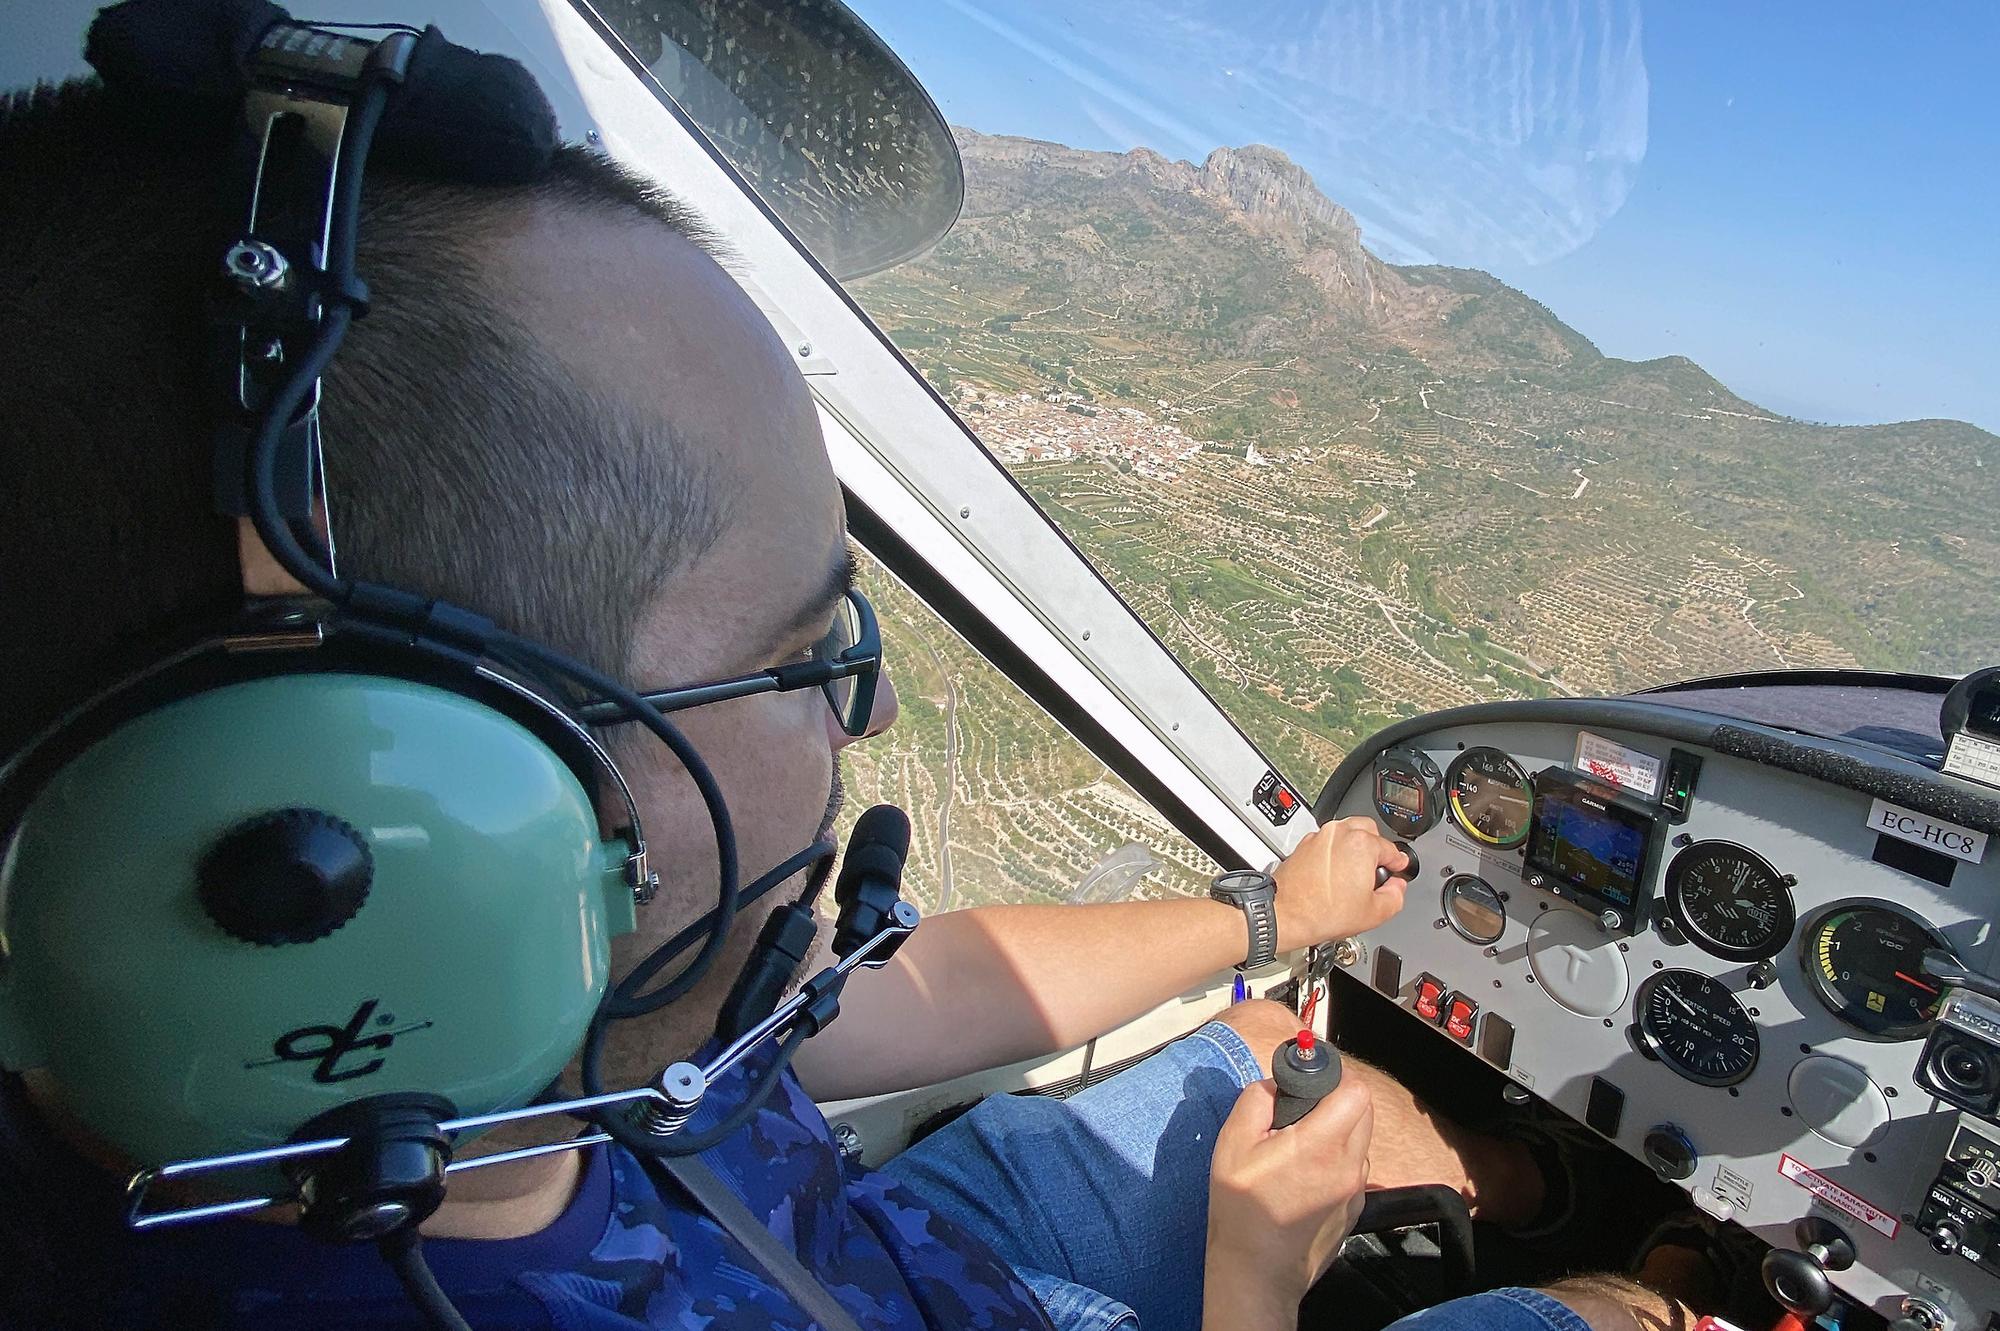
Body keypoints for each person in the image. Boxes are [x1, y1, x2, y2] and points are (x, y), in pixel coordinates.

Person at [0, 50, 1699, 1331]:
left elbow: (888, 995)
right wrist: (1253, 1279)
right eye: (800, 652)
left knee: (1259, 1048)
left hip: (871, 1251)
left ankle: (1520, 1182)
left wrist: (1270, 917)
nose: (859, 717)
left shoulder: (538, 1013)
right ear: (348, 842)